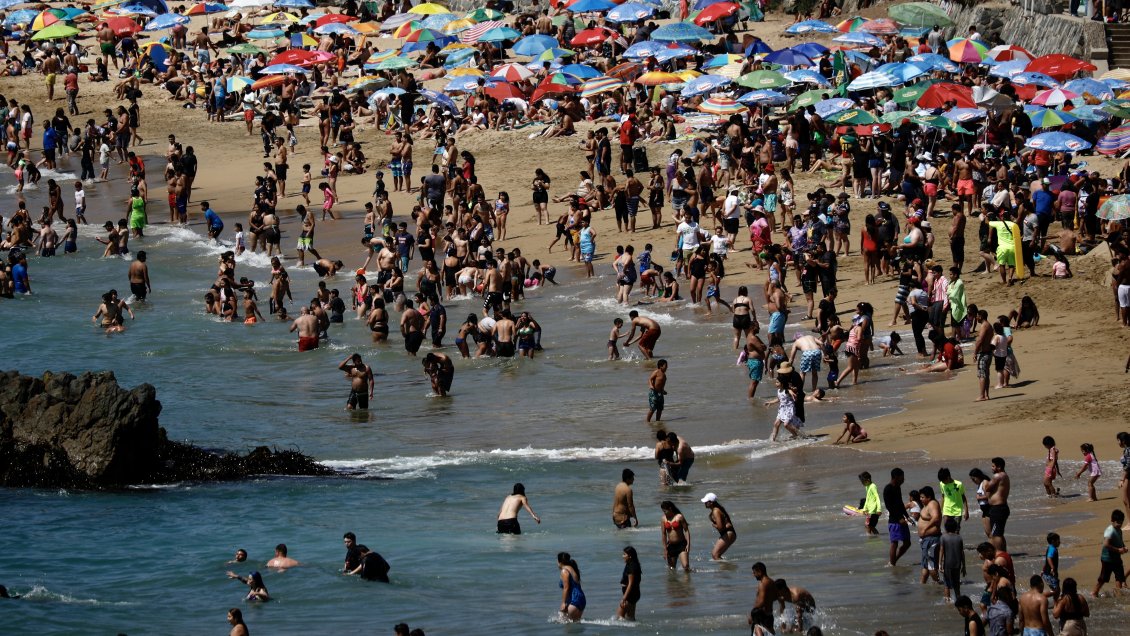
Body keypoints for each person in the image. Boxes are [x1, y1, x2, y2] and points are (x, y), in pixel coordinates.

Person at [1093, 509, 1127, 597]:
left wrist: (1123, 547)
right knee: (1104, 578)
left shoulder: (1119, 530)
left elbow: (1120, 541)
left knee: (1119, 576)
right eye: (1118, 523)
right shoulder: (1110, 530)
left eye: (1121, 523)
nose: (1119, 525)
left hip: (1116, 558)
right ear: (1112, 521)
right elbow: (1106, 544)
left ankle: (1119, 594)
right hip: (1107, 559)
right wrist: (1118, 550)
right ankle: (1095, 592)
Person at [884, 468, 912, 566]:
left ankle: (894, 560)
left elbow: (900, 503)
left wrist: (907, 516)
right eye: (902, 477)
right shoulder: (888, 489)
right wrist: (899, 518)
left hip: (901, 518)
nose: (903, 479)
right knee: (894, 543)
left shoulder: (898, 487)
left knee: (907, 543)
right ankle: (892, 565)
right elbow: (889, 506)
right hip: (894, 520)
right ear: (896, 477)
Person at [917, 486, 943, 584]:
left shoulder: (932, 503)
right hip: (926, 539)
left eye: (923, 497)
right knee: (925, 565)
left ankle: (940, 585)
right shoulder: (927, 505)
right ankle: (922, 585)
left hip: (931, 539)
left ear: (929, 497)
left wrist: (925, 528)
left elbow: (936, 518)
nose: (921, 499)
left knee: (931, 565)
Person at [985, 456, 1011, 551]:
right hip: (1002, 508)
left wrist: (985, 483)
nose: (991, 468)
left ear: (999, 467)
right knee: (999, 533)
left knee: (996, 535)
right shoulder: (1005, 475)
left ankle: (999, 553)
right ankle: (1003, 552)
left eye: (993, 466)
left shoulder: (998, 476)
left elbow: (987, 488)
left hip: (998, 508)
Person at [702, 492, 736, 560]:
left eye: (706, 502)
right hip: (728, 533)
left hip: (728, 533)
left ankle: (726, 569)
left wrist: (714, 525)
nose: (704, 503)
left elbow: (720, 528)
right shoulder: (717, 509)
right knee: (716, 555)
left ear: (711, 502)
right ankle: (725, 568)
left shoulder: (715, 511)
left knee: (715, 555)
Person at [939, 518, 966, 602]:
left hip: (947, 565)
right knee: (956, 585)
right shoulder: (959, 538)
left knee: (947, 585)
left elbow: (941, 551)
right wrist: (964, 566)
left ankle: (947, 602)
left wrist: (940, 564)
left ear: (946, 528)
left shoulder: (943, 537)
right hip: (957, 565)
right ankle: (959, 601)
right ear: (955, 527)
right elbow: (962, 553)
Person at [660, 500, 690, 571]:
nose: (664, 513)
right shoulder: (663, 519)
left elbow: (686, 530)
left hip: (681, 544)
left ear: (670, 509)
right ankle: (674, 582)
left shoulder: (679, 517)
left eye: (665, 511)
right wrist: (665, 549)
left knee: (685, 566)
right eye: (663, 511)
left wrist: (688, 544)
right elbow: (663, 534)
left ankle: (687, 581)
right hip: (671, 546)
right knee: (671, 569)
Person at [749, 562, 778, 636]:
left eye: (754, 573)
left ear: (760, 571)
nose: (754, 575)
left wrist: (752, 614)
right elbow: (775, 597)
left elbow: (761, 601)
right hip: (769, 615)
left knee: (757, 631)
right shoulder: (771, 582)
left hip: (761, 616)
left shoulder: (763, 584)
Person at [556, 552, 585, 622]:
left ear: (559, 562)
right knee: (576, 625)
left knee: (565, 625)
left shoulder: (564, 571)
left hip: (573, 599)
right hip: (581, 599)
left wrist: (563, 603)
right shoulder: (573, 569)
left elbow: (566, 587)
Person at [617, 546, 641, 621]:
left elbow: (631, 584)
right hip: (634, 594)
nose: (622, 556)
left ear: (630, 556)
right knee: (630, 618)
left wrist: (624, 598)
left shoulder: (632, 567)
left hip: (630, 595)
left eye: (624, 554)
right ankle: (633, 631)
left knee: (618, 618)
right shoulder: (632, 564)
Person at [859, 471, 882, 535]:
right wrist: (865, 509)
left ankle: (869, 539)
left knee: (869, 526)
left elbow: (877, 497)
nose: (862, 483)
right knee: (869, 526)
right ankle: (876, 537)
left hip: (874, 511)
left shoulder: (873, 486)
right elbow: (868, 499)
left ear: (868, 480)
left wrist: (879, 509)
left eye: (863, 481)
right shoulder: (867, 487)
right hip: (870, 511)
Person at [1043, 532, 1062, 601]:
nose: (1060, 542)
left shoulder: (1051, 548)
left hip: (1048, 573)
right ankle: (1041, 596)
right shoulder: (1052, 549)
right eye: (1058, 540)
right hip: (1049, 574)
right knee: (1056, 590)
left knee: (1057, 589)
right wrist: (1052, 568)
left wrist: (1043, 570)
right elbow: (1049, 558)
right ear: (1053, 541)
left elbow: (1046, 562)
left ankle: (1056, 603)